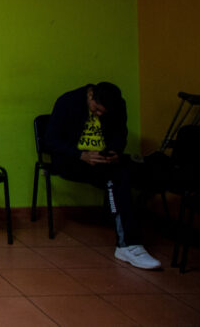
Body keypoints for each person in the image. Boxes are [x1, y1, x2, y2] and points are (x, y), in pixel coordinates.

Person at [44, 82, 161, 270]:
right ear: (90, 97)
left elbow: (120, 134)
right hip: (72, 160)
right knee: (117, 178)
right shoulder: (68, 102)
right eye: (97, 110)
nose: (99, 115)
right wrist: (81, 154)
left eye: (103, 112)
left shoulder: (117, 105)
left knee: (137, 170)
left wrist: (115, 151)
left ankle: (130, 240)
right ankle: (129, 244)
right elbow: (50, 140)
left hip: (103, 160)